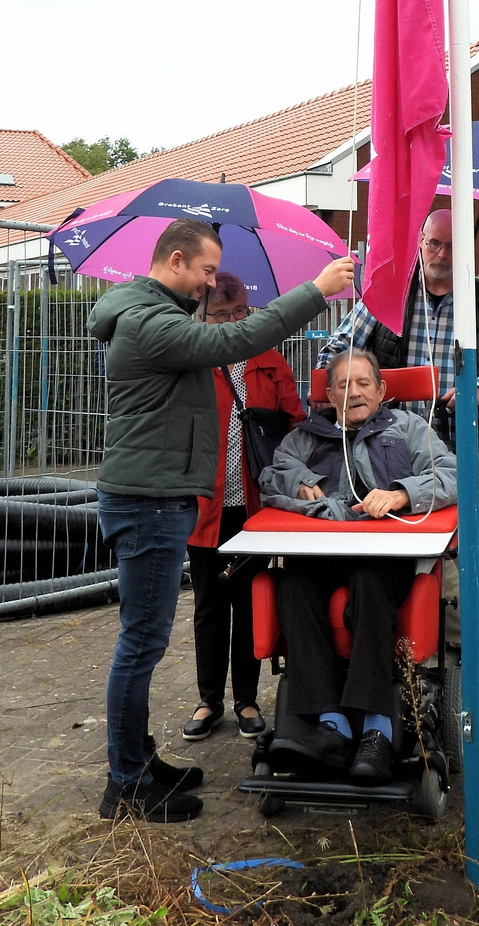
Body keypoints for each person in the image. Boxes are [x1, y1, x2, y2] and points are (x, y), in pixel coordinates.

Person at [88, 217, 355, 823]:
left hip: (158, 496)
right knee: (140, 644)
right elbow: (229, 345)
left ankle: (138, 758)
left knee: (143, 639)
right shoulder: (152, 322)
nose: (211, 284)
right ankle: (126, 783)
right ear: (176, 260)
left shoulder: (148, 312)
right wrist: (315, 290)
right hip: (151, 500)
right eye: (207, 271)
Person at [319, 207, 479, 683]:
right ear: (421, 243)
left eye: (451, 246)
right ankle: (441, 643)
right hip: (400, 451)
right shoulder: (388, 297)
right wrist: (361, 383)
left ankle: (448, 654)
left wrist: (477, 389)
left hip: (465, 445)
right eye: (434, 244)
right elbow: (335, 352)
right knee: (405, 553)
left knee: (454, 553)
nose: (442, 255)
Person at [259, 349, 457, 785]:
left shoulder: (407, 429)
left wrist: (403, 493)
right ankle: (331, 725)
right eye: (343, 385)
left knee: (369, 581)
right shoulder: (305, 436)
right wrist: (301, 483)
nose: (354, 392)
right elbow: (273, 473)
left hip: (385, 558)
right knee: (292, 581)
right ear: (328, 394)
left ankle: (377, 730)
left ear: (382, 390)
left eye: (364, 383)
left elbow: (450, 473)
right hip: (324, 554)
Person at [182, 272, 305, 744]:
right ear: (203, 316)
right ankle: (209, 699)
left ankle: (248, 699)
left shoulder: (271, 363)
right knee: (209, 607)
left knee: (251, 604)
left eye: (240, 314)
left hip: (255, 510)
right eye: (221, 315)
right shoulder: (193, 365)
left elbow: (295, 428)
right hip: (204, 508)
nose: (232, 323)